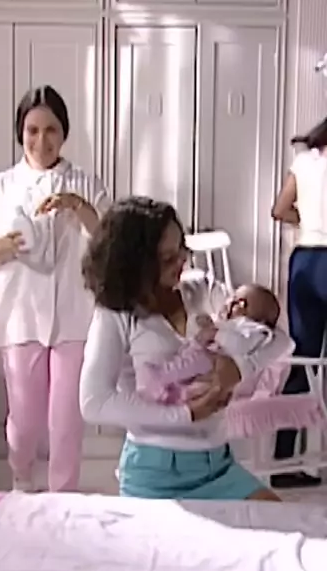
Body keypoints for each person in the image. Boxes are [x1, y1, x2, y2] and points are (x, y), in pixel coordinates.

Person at [80, 196, 291, 500]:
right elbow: (93, 402)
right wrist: (186, 414)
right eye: (167, 258)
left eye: (182, 248)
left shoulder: (200, 289)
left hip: (218, 465)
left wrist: (239, 368)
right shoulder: (115, 314)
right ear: (137, 264)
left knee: (282, 522)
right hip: (154, 472)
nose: (182, 260)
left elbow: (279, 339)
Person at [0, 85, 110, 493]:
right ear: (20, 133)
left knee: (66, 420)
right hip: (20, 317)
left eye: (51, 130)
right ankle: (22, 478)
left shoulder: (85, 183)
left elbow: (110, 241)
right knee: (25, 418)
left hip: (74, 318)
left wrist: (78, 207)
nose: (41, 140)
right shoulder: (1, 188)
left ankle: (63, 495)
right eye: (32, 130)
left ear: (64, 133)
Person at [271, 115, 327, 489]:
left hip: (306, 261)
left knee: (302, 361)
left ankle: (283, 462)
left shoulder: (305, 160)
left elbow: (279, 210)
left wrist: (308, 221)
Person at [137, 283, 282, 406]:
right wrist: (208, 328)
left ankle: (162, 375)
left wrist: (216, 334)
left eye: (241, 302)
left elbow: (240, 345)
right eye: (233, 297)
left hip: (213, 361)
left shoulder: (252, 329)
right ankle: (170, 390)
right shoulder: (228, 321)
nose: (231, 302)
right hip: (206, 357)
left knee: (192, 363)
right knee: (188, 360)